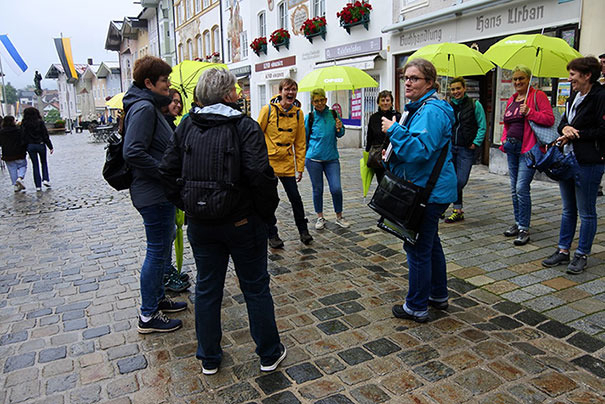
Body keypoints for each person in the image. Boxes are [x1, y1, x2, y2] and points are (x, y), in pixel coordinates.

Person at [159, 68, 286, 375]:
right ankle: (268, 353)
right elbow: (261, 176)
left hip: (202, 223)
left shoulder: (187, 125)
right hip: (242, 221)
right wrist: (265, 216)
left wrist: (188, 203)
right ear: (229, 95)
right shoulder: (244, 126)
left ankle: (209, 357)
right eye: (236, 91)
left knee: (207, 287)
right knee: (255, 287)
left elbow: (166, 172)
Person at [381, 58, 457, 323]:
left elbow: (420, 150)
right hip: (426, 188)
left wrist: (395, 131)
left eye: (414, 78)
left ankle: (416, 306)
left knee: (416, 248)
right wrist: (391, 154)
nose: (408, 83)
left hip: (428, 191)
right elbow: (417, 149)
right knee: (430, 244)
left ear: (430, 83)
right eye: (406, 78)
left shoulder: (431, 111)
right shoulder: (421, 109)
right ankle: (437, 295)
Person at [122, 55, 187, 334]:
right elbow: (133, 151)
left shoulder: (150, 107)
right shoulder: (144, 108)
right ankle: (148, 315)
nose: (168, 85)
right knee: (157, 251)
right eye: (164, 81)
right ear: (148, 83)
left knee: (161, 249)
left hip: (159, 193)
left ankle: (158, 299)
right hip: (153, 193)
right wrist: (163, 171)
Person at [541, 56, 605, 274]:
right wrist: (565, 129)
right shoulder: (573, 97)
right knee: (568, 209)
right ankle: (563, 250)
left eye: (573, 74)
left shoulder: (600, 96)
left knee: (586, 211)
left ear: (587, 75)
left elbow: (602, 130)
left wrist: (575, 134)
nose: (570, 79)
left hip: (588, 162)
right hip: (567, 160)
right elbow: (562, 123)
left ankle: (582, 254)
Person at [500, 65, 554, 246]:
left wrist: (530, 112)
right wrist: (503, 140)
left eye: (521, 78)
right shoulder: (512, 99)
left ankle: (524, 228)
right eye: (515, 79)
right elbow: (506, 123)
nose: (517, 82)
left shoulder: (537, 96)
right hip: (512, 149)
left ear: (529, 79)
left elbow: (549, 119)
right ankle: (517, 222)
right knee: (514, 188)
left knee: (522, 187)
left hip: (528, 150)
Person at [258, 78, 312, 247]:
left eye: (293, 89)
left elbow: (300, 142)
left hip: (288, 162)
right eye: (287, 89)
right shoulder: (268, 110)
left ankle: (303, 231)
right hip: (270, 163)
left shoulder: (298, 113)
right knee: (270, 199)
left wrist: (300, 167)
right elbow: (256, 135)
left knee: (295, 198)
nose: (290, 93)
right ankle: (271, 234)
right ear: (280, 91)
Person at [305, 88, 350, 231]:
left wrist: (339, 127)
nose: (319, 103)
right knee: (317, 189)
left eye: (321, 100)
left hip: (331, 158)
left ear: (326, 100)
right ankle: (320, 217)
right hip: (314, 159)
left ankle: (339, 216)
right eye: (316, 101)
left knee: (336, 188)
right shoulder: (310, 117)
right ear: (312, 102)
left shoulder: (333, 114)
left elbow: (340, 134)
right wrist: (304, 157)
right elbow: (304, 138)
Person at [444, 77, 487, 223]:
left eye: (458, 88)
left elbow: (482, 126)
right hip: (451, 148)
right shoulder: (449, 106)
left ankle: (442, 205)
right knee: (452, 179)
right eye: (453, 89)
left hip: (466, 149)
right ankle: (457, 210)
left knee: (460, 180)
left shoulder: (475, 105)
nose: (456, 92)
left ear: (464, 89)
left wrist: (476, 142)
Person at [366, 90, 401, 185]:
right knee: (381, 182)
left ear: (391, 102)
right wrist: (367, 152)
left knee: (394, 182)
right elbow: (370, 136)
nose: (385, 103)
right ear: (378, 102)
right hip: (378, 155)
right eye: (383, 100)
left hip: (393, 154)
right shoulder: (374, 117)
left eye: (387, 100)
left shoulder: (397, 116)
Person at [21, 107, 54, 191]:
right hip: (41, 144)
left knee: (35, 165)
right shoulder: (40, 122)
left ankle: (38, 186)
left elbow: (23, 136)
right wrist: (50, 146)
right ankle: (45, 179)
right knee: (43, 162)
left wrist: (24, 148)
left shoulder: (24, 123)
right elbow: (45, 135)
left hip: (31, 145)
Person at [0, 115, 27, 192]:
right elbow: (23, 140)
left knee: (12, 169)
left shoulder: (2, 132)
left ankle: (15, 185)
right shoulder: (18, 130)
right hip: (19, 152)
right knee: (23, 165)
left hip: (7, 154)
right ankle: (20, 177)